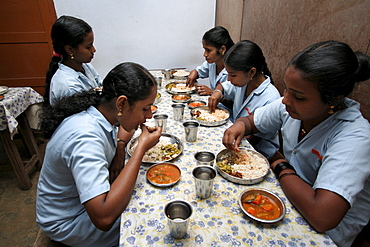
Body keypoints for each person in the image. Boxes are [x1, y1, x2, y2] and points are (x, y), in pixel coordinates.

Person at [222, 40, 370, 247]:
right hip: (289, 196)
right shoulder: (291, 106)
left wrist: (279, 164)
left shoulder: (354, 137)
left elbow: (322, 216)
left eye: (298, 96)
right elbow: (250, 122)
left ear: (333, 100)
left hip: (324, 232)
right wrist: (238, 127)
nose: (285, 100)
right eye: (286, 90)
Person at [36, 62, 162, 247]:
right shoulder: (85, 137)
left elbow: (123, 128)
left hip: (80, 204)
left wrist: (120, 149)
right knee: (151, 220)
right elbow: (103, 218)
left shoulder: (101, 111)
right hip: (68, 221)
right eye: (145, 108)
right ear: (122, 103)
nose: (149, 115)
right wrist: (140, 149)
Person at [209, 40, 280, 159]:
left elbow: (258, 136)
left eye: (233, 75)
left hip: (256, 151)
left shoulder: (271, 98)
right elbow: (225, 86)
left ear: (252, 72)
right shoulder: (242, 83)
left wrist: (237, 133)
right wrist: (217, 92)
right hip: (236, 138)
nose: (229, 79)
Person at [44, 15, 102, 106]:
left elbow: (100, 87)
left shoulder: (85, 66)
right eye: (88, 47)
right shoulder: (69, 87)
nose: (93, 50)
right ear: (70, 49)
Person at [186, 26, 235, 100]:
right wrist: (194, 72)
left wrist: (212, 92)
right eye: (205, 50)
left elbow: (235, 102)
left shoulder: (234, 70)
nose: (205, 54)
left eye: (208, 50)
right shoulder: (212, 63)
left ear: (222, 49)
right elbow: (199, 71)